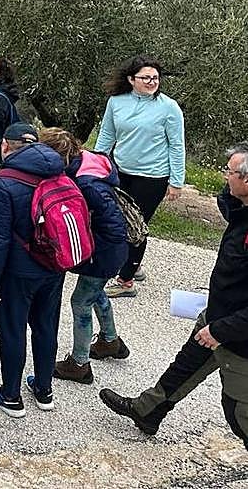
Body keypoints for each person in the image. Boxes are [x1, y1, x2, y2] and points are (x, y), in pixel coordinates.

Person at [100, 142, 248, 445]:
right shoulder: (242, 209)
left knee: (238, 412)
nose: (224, 178)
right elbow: (227, 203)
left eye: (230, 173)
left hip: (239, 336)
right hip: (220, 315)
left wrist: (221, 330)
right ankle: (147, 411)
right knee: (185, 366)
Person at [0, 123, 65, 418]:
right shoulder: (58, 171)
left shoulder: (5, 183)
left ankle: (11, 395)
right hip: (54, 265)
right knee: (45, 326)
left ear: (5, 146)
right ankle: (44, 389)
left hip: (18, 271)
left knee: (12, 329)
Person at [36, 128, 130, 384]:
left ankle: (79, 364)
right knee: (94, 293)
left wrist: (87, 248)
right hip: (106, 251)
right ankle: (110, 341)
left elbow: (113, 226)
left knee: (80, 301)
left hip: (104, 252)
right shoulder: (85, 167)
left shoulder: (88, 183)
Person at [96, 56, 185, 298]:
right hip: (121, 171)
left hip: (153, 177)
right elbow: (107, 135)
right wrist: (96, 163)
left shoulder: (169, 107)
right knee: (115, 219)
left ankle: (125, 280)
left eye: (155, 78)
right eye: (145, 77)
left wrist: (176, 181)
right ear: (131, 80)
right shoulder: (116, 102)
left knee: (136, 225)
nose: (151, 82)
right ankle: (132, 264)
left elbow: (176, 146)